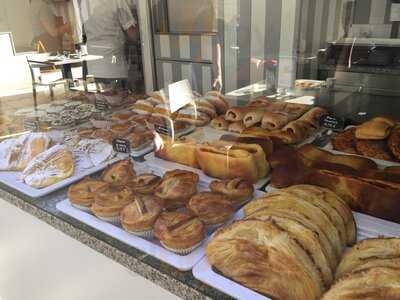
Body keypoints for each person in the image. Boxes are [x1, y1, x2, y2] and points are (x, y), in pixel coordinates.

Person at [79, 0, 138, 89]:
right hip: (113, 67)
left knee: (100, 100)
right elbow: (133, 35)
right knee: (117, 100)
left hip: (93, 67)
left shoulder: (84, 2)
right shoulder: (117, 2)